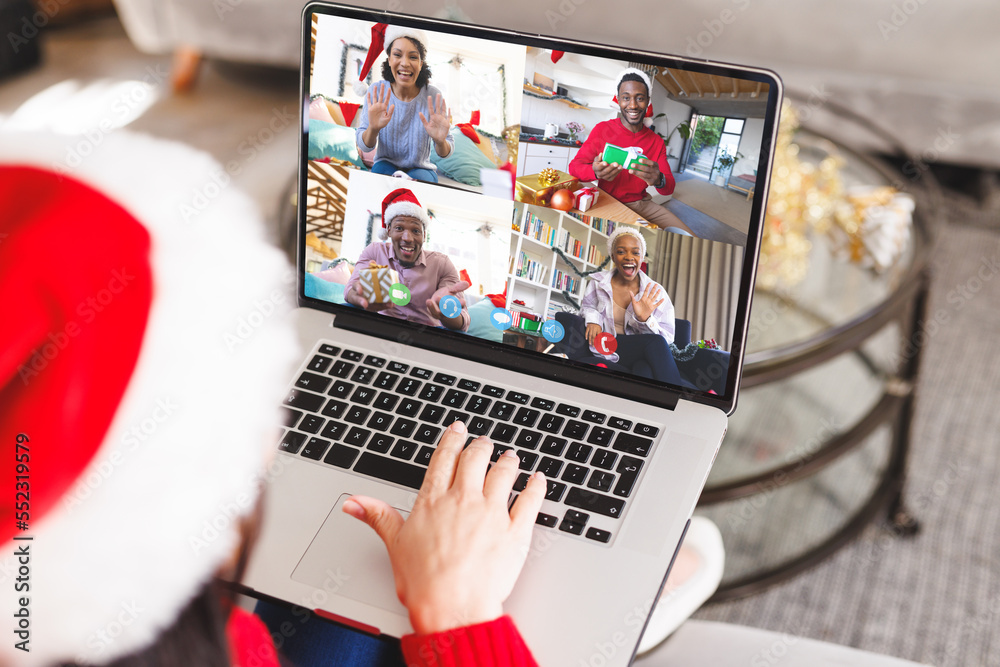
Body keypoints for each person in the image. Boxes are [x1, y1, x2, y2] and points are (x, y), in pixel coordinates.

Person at [0, 132, 545, 666]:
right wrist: (462, 614)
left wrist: (451, 297)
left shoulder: (442, 261)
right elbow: (356, 287)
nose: (272, 425)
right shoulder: (239, 648)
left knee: (339, 609)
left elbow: (460, 295)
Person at [568, 68, 693, 233]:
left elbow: (668, 188)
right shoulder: (602, 130)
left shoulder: (656, 142)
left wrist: (659, 179)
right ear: (619, 100)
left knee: (688, 236)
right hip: (607, 201)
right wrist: (595, 172)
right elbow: (574, 167)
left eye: (640, 98)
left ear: (648, 101)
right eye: (626, 98)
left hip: (642, 204)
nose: (633, 105)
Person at [344, 187, 470, 331]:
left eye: (415, 231)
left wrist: (445, 311)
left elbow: (463, 323)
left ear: (424, 235)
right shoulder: (374, 252)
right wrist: (360, 296)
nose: (407, 238)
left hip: (426, 334)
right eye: (399, 228)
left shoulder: (442, 264)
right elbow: (350, 289)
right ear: (389, 230)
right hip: (381, 327)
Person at [580, 226, 688, 386]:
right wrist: (593, 320)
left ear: (642, 257)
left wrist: (645, 319)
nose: (628, 257)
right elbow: (587, 307)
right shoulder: (598, 282)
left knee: (644, 370)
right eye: (621, 251)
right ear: (612, 256)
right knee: (655, 343)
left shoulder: (655, 291)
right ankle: (680, 398)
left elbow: (667, 340)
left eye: (635, 252)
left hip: (638, 352)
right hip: (608, 344)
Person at [354, 25, 454, 183]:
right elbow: (365, 147)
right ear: (389, 60)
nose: (405, 63)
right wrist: (373, 129)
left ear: (421, 64)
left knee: (422, 184)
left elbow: (445, 153)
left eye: (413, 57)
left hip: (421, 168)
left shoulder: (433, 95)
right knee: (378, 178)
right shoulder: (376, 91)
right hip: (385, 163)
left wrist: (441, 141)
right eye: (397, 55)